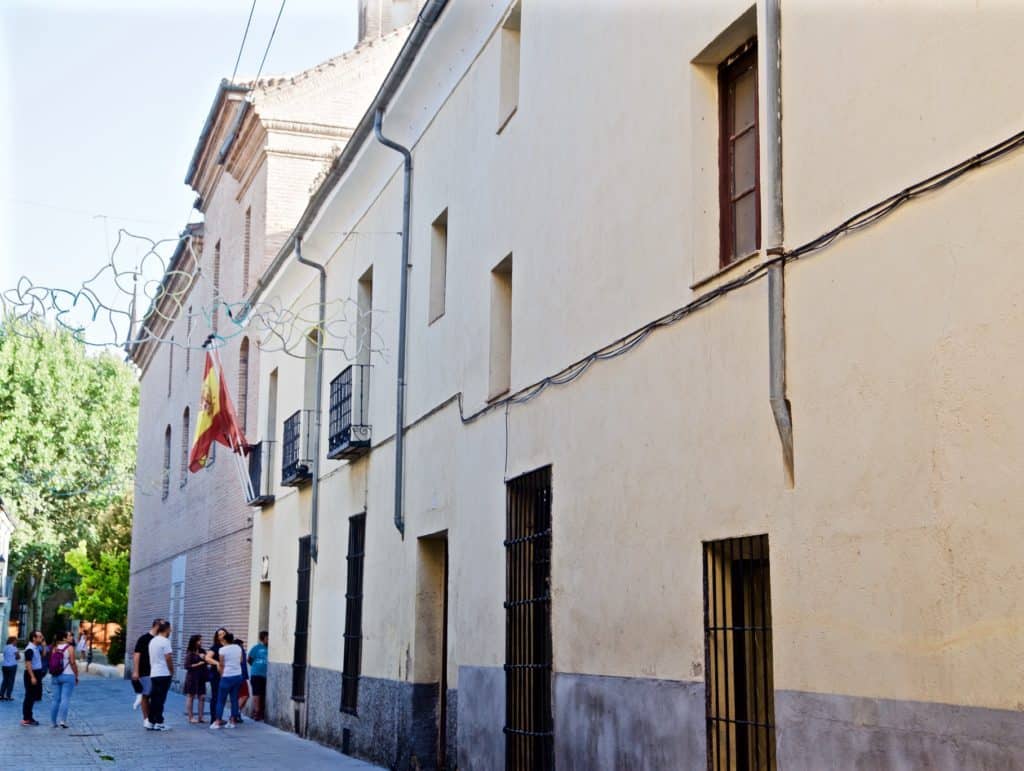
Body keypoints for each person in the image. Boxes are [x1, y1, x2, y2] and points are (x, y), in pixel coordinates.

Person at [132, 618, 162, 729]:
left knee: (155, 696)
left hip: (157, 672)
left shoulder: (160, 639)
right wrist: (136, 671)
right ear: (157, 625)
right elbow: (136, 655)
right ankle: (146, 719)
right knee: (146, 694)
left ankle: (152, 719)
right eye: (162, 625)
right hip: (145, 671)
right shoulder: (144, 639)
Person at [209, 632, 243, 729]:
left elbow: (221, 664)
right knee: (234, 700)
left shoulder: (222, 650)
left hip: (227, 676)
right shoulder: (238, 648)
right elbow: (240, 661)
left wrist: (221, 675)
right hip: (237, 675)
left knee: (220, 700)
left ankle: (217, 721)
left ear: (224, 640)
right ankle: (232, 721)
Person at [146, 621, 173, 731]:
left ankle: (151, 721)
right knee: (160, 699)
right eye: (170, 628)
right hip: (163, 673)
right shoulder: (165, 641)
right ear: (166, 629)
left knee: (154, 698)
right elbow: (168, 658)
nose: (171, 630)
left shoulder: (153, 641)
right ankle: (159, 722)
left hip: (154, 673)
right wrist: (171, 670)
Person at [49, 631, 78, 728]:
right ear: (64, 638)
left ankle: (53, 722)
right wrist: (76, 675)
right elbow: (72, 662)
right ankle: (62, 721)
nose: (72, 637)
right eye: (70, 636)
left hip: (55, 676)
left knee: (55, 700)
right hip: (68, 675)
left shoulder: (54, 648)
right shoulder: (70, 648)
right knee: (65, 698)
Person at [20, 630, 44, 726]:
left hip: (37, 672)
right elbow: (28, 663)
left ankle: (29, 717)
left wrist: (44, 645)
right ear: (34, 638)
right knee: (29, 697)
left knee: (33, 696)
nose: (41, 638)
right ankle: (26, 718)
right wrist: (32, 676)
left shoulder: (36, 647)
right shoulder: (30, 649)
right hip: (32, 673)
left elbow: (44, 655)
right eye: (39, 636)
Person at [204, 627, 227, 723]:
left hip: (226, 674)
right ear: (217, 637)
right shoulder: (216, 647)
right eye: (220, 634)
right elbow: (207, 658)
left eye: (223, 633)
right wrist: (217, 663)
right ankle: (214, 718)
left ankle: (219, 717)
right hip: (216, 674)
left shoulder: (228, 646)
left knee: (222, 697)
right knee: (216, 696)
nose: (222, 636)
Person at [183, 634, 207, 724]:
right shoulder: (190, 652)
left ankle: (201, 717)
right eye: (199, 640)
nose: (201, 642)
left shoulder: (202, 651)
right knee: (191, 696)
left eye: (201, 640)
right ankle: (191, 717)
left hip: (201, 677)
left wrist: (204, 658)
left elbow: (207, 661)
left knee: (202, 697)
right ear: (194, 642)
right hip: (192, 677)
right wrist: (198, 664)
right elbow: (187, 666)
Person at [247, 631, 268, 721]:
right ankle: (256, 711)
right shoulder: (256, 648)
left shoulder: (270, 648)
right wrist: (256, 666)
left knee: (263, 693)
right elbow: (249, 659)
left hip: (266, 674)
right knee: (256, 693)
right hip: (256, 673)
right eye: (267, 638)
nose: (269, 640)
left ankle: (261, 711)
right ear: (263, 638)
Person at [1, 635, 20, 701]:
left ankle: (1, 695)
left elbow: (4, 655)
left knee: (5, 681)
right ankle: (8, 696)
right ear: (13, 641)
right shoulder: (14, 648)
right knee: (11, 681)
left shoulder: (5, 647)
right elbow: (18, 657)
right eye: (16, 641)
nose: (16, 642)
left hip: (4, 666)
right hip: (12, 666)